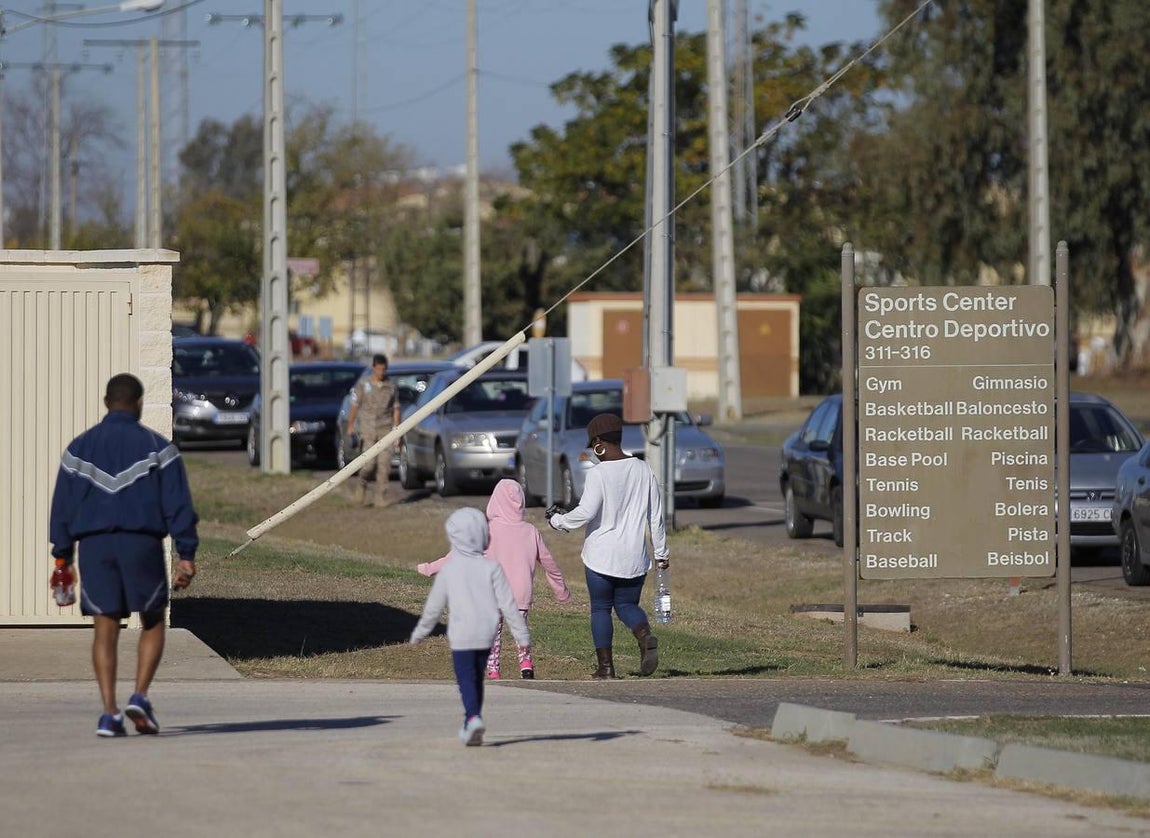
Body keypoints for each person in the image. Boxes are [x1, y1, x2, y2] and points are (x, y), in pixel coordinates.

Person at [48, 373, 199, 737]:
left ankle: (109, 713)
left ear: (106, 403)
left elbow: (63, 507)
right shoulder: (159, 448)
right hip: (140, 544)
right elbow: (178, 504)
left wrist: (62, 557)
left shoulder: (78, 449)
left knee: (105, 629)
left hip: (95, 547)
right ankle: (140, 696)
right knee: (153, 619)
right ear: (139, 403)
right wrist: (186, 553)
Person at [547, 412, 668, 679]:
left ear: (599, 443)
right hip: (634, 557)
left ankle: (606, 668)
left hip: (601, 557)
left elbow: (586, 512)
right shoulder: (644, 469)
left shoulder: (598, 474)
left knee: (601, 608)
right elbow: (656, 517)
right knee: (626, 605)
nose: (594, 452)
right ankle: (644, 635)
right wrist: (661, 554)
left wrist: (558, 521)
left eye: (594, 446)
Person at [417, 479, 570, 679]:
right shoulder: (530, 531)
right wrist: (561, 591)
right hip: (520, 593)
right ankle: (525, 664)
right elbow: (549, 564)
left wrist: (430, 568)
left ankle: (493, 669)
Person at [410, 507, 530, 746]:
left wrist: (420, 632)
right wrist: (521, 634)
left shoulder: (450, 569)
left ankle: (473, 718)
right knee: (477, 678)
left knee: (466, 679)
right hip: (486, 634)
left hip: (462, 635)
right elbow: (508, 605)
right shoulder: (492, 567)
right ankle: (471, 721)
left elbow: (434, 608)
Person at [346, 353, 401, 507]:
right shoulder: (363, 384)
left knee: (384, 466)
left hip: (385, 429)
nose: (381, 372)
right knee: (368, 464)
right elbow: (354, 405)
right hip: (367, 429)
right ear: (373, 368)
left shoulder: (391, 386)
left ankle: (380, 497)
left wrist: (397, 430)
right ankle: (362, 484)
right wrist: (350, 425)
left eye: (384, 369)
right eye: (378, 369)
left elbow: (396, 408)